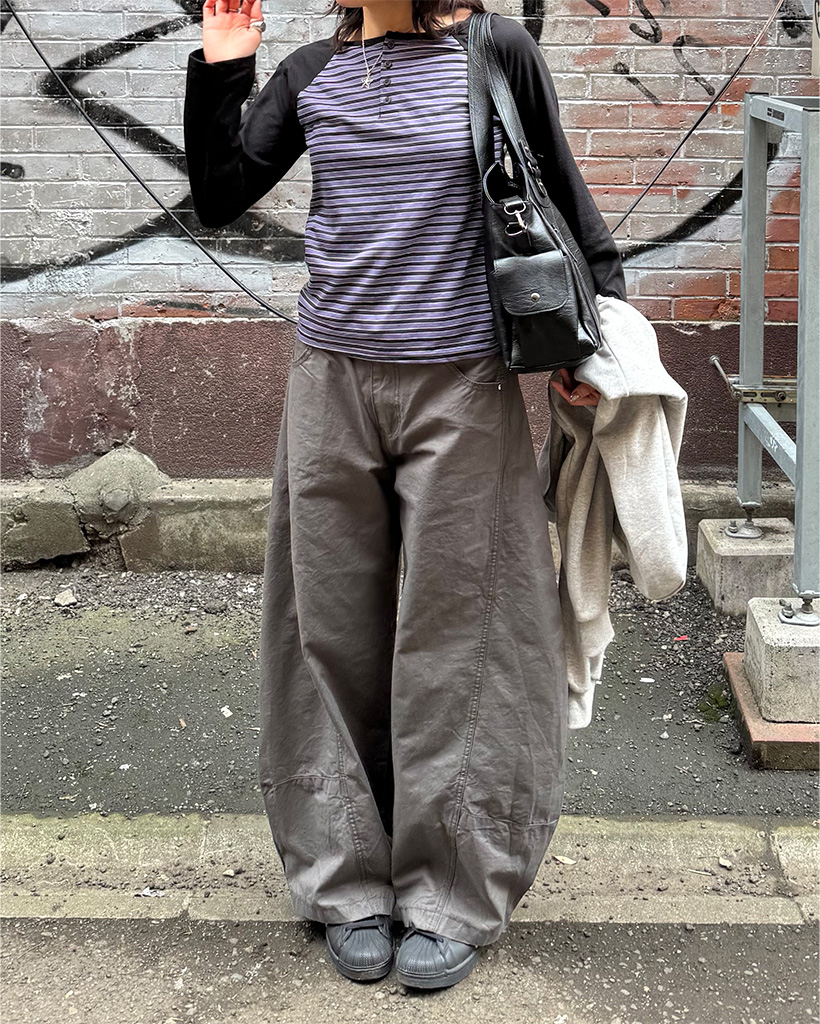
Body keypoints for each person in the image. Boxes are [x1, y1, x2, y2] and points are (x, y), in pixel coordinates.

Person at [184, 0, 624, 991]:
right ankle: (343, 880)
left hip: (462, 384)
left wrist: (602, 346)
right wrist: (223, 67)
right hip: (331, 383)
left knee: (466, 633)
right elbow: (217, 196)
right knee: (326, 628)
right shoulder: (311, 71)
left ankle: (453, 889)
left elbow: (563, 192)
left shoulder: (495, 48)